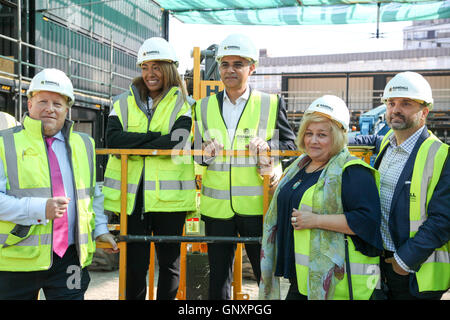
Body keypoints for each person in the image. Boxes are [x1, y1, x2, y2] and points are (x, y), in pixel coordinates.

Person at [194, 33, 297, 300]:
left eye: (238, 64)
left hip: (258, 205)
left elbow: (291, 144)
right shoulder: (202, 107)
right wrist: (203, 154)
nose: (230, 70)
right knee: (218, 277)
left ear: (252, 68)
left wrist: (269, 149)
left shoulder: (270, 103)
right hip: (217, 208)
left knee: (266, 274)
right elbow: (195, 155)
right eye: (225, 64)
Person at [0, 68, 117, 300]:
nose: (50, 109)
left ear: (67, 108)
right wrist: (39, 209)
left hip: (70, 259)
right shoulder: (5, 143)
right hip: (17, 260)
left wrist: (101, 229)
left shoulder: (85, 144)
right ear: (30, 103)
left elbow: (92, 195)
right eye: (43, 101)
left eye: (57, 103)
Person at [259, 95, 383, 300]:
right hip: (300, 279)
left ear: (337, 136)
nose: (313, 140)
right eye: (308, 133)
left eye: (322, 135)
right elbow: (292, 200)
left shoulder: (352, 172)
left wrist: (316, 220)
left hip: (332, 285)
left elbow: (367, 222)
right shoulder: (300, 166)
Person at [102, 37, 196, 300]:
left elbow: (175, 142)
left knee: (170, 265)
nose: (150, 74)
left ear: (170, 69)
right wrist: (154, 138)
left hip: (171, 201)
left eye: (156, 67)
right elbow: (113, 140)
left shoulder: (186, 104)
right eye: (145, 67)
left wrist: (136, 141)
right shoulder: (121, 101)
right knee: (134, 266)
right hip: (132, 199)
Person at [349, 71, 449, 300]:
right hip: (382, 261)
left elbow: (443, 220)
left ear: (424, 112)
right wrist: (332, 136)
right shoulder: (387, 143)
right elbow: (367, 140)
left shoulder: (441, 155)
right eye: (391, 103)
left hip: (414, 271)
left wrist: (403, 263)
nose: (396, 109)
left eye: (406, 103)